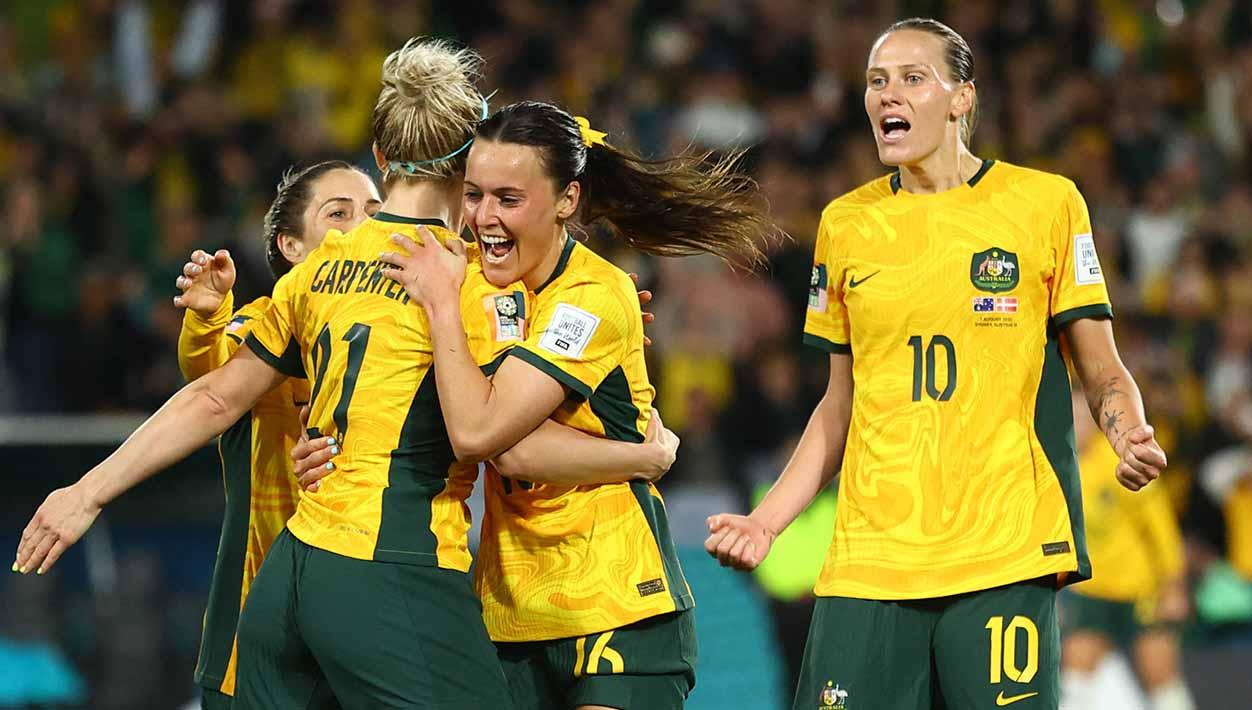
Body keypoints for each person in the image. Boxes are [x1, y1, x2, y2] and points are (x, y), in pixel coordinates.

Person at [13, 39, 677, 708]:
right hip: (393, 570)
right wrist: (639, 447)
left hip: (289, 576)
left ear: (381, 158)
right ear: (470, 155)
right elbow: (503, 438)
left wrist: (88, 492)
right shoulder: (474, 280)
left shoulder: (321, 269)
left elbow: (213, 396)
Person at [702, 17, 1167, 710]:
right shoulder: (846, 225)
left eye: (912, 78)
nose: (888, 95)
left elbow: (1102, 367)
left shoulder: (1046, 205)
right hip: (872, 554)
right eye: (876, 81)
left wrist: (1127, 426)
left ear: (961, 99)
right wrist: (767, 522)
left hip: (1003, 546)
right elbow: (841, 405)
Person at [358, 100, 771, 710]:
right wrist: (330, 442)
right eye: (473, 195)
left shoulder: (591, 297)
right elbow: (366, 373)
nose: (484, 219)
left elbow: (490, 436)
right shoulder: (459, 275)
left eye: (509, 198)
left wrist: (444, 310)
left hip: (616, 599)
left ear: (567, 201)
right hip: (510, 611)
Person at [174, 160, 381, 709]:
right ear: (291, 245)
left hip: (366, 627)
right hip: (254, 623)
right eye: (339, 213)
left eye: (374, 212)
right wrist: (207, 321)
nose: (362, 224)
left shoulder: (403, 334)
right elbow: (213, 379)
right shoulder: (263, 328)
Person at [1060, 388, 1194, 710]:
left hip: (1140, 588)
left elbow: (1160, 528)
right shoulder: (1060, 467)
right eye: (1070, 416)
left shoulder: (1124, 462)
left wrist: (1173, 586)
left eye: (1082, 417)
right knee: (1075, 682)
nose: (1076, 424)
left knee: (1162, 680)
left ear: (1095, 422)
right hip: (1092, 591)